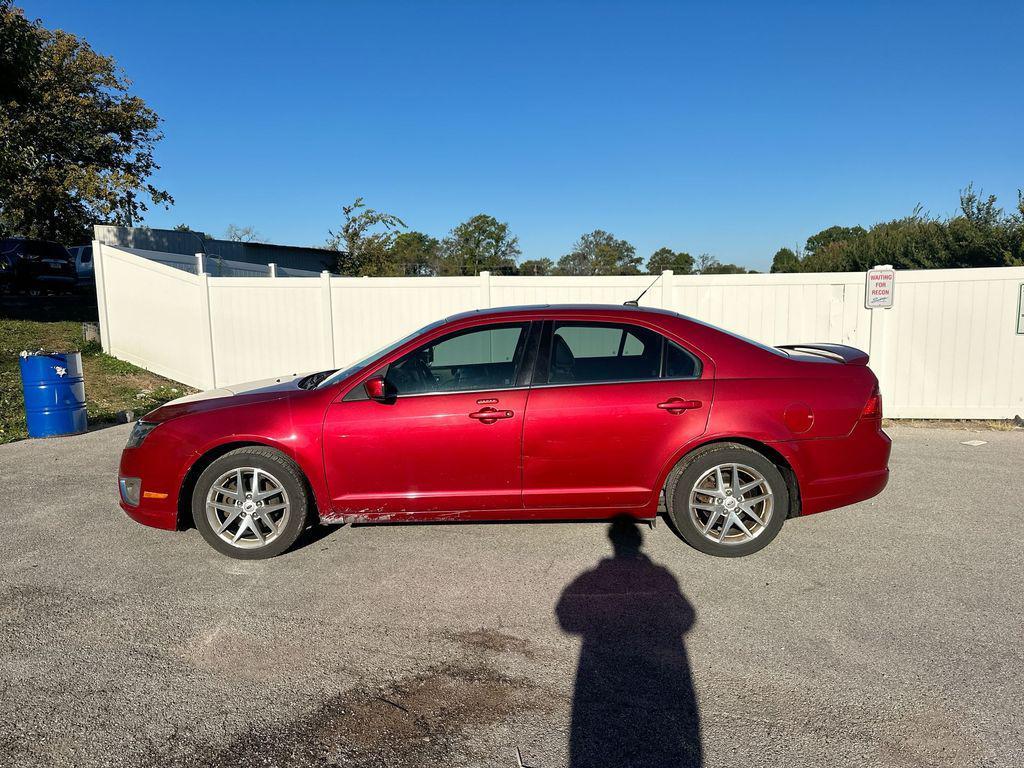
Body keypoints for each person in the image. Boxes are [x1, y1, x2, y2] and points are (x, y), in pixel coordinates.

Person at [555, 516, 702, 767]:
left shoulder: (593, 577)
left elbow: (566, 618)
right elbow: (686, 618)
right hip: (655, 674)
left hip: (604, 671)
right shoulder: (661, 576)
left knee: (605, 731)